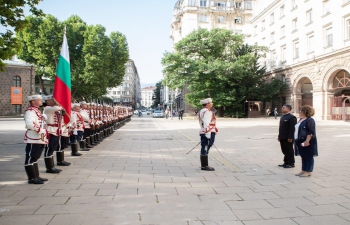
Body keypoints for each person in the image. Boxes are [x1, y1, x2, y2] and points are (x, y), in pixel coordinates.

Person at [23, 95, 49, 184]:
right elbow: (29, 124)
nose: (41, 101)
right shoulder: (30, 111)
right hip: (33, 137)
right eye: (39, 100)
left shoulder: (36, 110)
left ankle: (36, 176)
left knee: (35, 157)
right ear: (33, 101)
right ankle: (31, 178)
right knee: (30, 157)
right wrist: (40, 130)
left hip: (39, 137)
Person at [43, 95, 69, 172]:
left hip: (56, 130)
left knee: (54, 148)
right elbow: (58, 107)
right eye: (52, 100)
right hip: (50, 131)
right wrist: (59, 102)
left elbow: (62, 113)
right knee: (49, 149)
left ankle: (53, 165)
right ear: (47, 101)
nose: (54, 101)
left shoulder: (54, 109)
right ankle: (49, 167)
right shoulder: (47, 108)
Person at [294, 105, 318, 177]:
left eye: (301, 110)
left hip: (307, 140)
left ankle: (308, 171)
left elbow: (310, 132)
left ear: (306, 111)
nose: (300, 112)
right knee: (303, 155)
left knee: (308, 156)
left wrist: (307, 140)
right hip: (299, 140)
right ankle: (303, 169)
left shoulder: (310, 120)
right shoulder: (301, 120)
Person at [198, 98, 218, 171]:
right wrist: (208, 133)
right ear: (207, 104)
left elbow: (201, 122)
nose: (212, 103)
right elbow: (206, 122)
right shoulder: (207, 111)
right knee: (206, 147)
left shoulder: (202, 110)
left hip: (204, 131)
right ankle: (204, 165)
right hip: (208, 131)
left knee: (204, 147)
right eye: (211, 102)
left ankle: (204, 165)